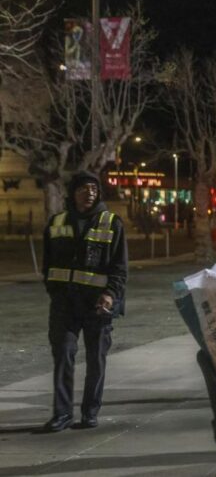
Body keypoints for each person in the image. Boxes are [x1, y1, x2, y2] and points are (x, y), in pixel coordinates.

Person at [42, 171, 128, 432]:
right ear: (73, 192)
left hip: (97, 305)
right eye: (83, 188)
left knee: (95, 359)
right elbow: (48, 265)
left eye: (93, 188)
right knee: (64, 356)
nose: (89, 192)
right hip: (65, 305)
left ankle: (90, 412)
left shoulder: (111, 222)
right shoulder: (56, 222)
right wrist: (55, 291)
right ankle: (62, 414)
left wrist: (110, 294)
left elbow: (120, 268)